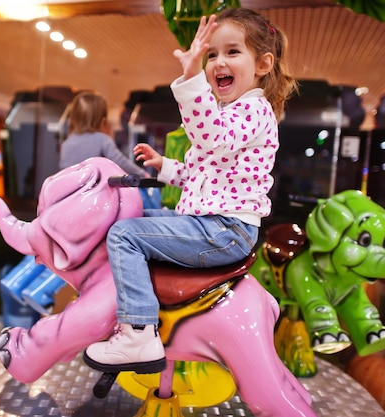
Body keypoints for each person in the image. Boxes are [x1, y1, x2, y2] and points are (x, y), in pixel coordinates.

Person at [84, 7, 297, 374]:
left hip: (222, 230)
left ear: (263, 64)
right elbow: (205, 175)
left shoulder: (253, 110)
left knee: (123, 234)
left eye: (232, 52)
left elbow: (211, 138)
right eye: (211, 54)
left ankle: (138, 333)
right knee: (128, 216)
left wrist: (190, 76)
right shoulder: (231, 112)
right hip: (212, 223)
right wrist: (164, 165)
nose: (217, 62)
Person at [59, 91, 150, 177]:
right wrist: (143, 174)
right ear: (103, 121)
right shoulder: (102, 139)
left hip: (72, 192)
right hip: (96, 191)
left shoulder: (66, 143)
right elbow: (120, 162)